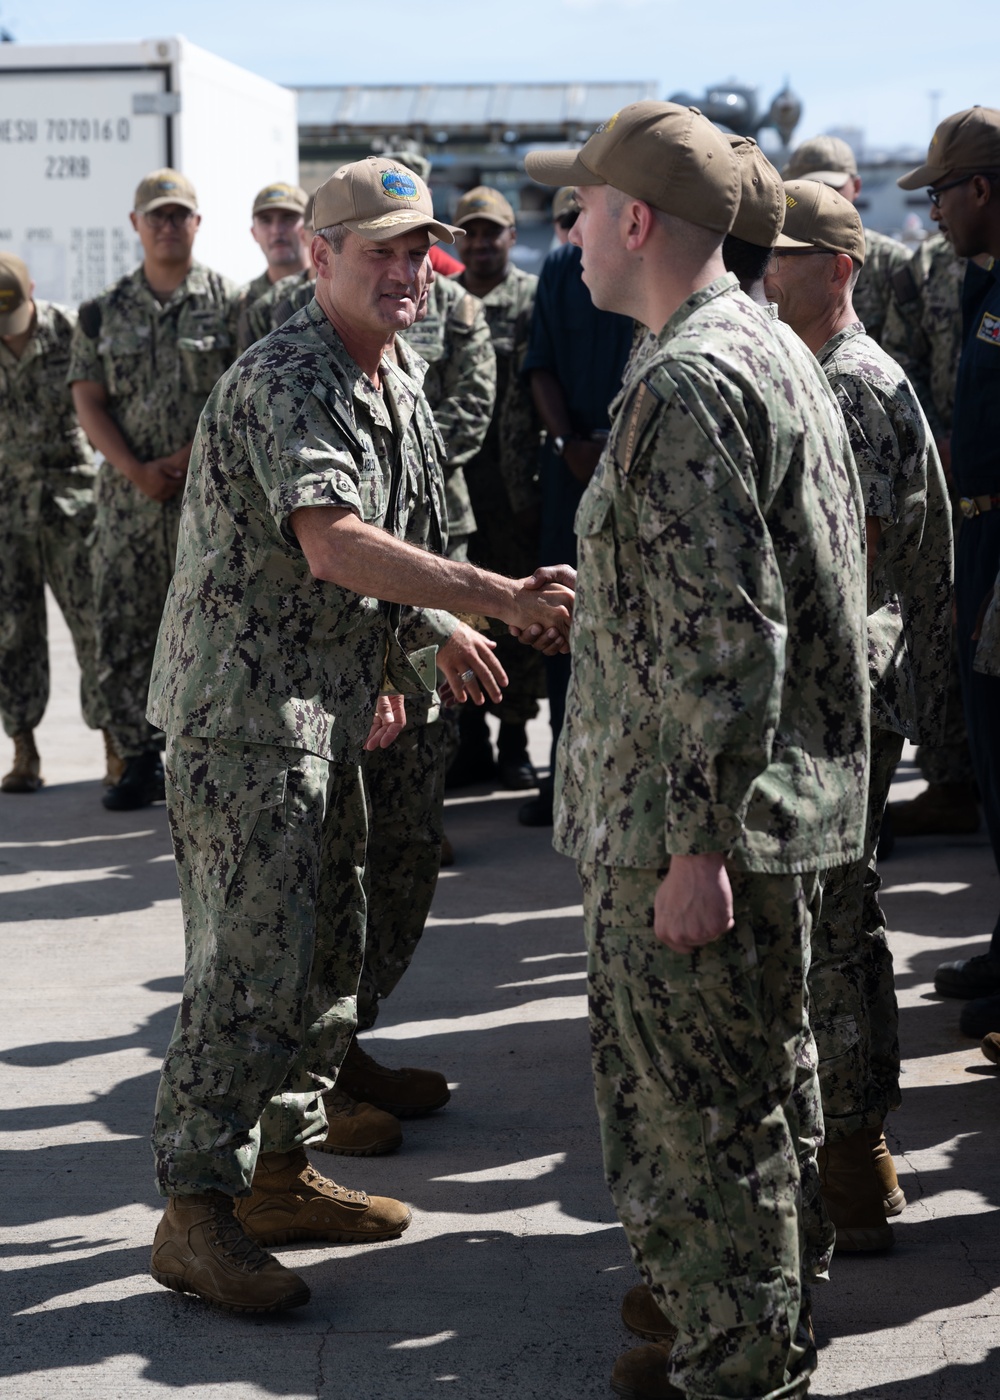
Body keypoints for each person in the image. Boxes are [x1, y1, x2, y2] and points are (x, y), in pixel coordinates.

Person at [144, 156, 573, 1314]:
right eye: (375, 248)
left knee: (324, 955)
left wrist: (420, 632)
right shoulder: (291, 374)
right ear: (317, 256)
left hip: (320, 711)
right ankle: (193, 1208)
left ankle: (278, 1173)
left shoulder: (389, 377)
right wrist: (490, 596)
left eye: (413, 248)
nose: (404, 268)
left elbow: (396, 543)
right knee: (246, 967)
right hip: (246, 717)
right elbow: (334, 542)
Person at [526, 102, 869, 1400]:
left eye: (580, 214)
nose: (568, 239)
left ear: (633, 222)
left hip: (695, 828)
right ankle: (742, 1320)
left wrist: (694, 845)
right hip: (768, 809)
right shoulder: (760, 349)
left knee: (700, 1125)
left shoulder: (685, 381)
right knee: (756, 1097)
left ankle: (739, 1363)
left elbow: (727, 641)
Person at [767, 179, 952, 1251]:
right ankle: (847, 1150)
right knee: (829, 915)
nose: (765, 268)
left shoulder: (854, 382)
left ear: (838, 267)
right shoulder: (813, 371)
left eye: (786, 254)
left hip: (843, 692)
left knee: (836, 919)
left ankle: (852, 1149)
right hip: (824, 687)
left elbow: (864, 555)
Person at [68, 168, 240, 810]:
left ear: (197, 223)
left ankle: (210, 756)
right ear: (135, 225)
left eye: (179, 214)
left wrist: (186, 457)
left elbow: (240, 390)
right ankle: (137, 759)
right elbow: (88, 399)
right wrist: (137, 469)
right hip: (128, 501)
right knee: (126, 627)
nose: (168, 225)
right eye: (156, 215)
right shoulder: (101, 310)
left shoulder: (230, 303)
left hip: (211, 502)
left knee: (215, 627)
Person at [896, 107, 1000, 1037]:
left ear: (982, 188)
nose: (931, 210)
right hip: (983, 542)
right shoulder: (984, 285)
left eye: (940, 192)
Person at [516, 210, 634, 827]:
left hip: (636, 461)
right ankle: (566, 773)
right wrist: (568, 445)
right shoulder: (562, 266)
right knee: (563, 616)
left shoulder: (650, 262)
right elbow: (541, 366)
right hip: (571, 466)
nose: (576, 224)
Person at [0, 254, 110, 793]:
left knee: (93, 627)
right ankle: (23, 748)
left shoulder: (69, 330)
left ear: (33, 293)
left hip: (70, 505)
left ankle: (116, 742)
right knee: (11, 634)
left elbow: (103, 403)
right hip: (4, 513)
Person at [447, 186, 543, 791]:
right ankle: (470, 739)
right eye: (471, 233)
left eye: (493, 232)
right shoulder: (441, 300)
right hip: (459, 485)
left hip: (514, 486)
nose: (481, 243)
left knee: (518, 615)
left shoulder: (532, 301)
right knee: (461, 611)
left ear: (511, 237)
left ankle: (514, 737)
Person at [882, 231, 978, 838]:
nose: (935, 211)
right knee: (941, 620)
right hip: (946, 471)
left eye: (945, 192)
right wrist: (934, 433)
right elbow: (904, 353)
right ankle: (950, 781)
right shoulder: (926, 265)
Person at [783, 134, 909, 345]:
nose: (821, 198)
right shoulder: (774, 255)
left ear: (857, 187)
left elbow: (908, 351)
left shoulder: (891, 260)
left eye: (832, 187)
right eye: (810, 188)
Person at [241, 182, 310, 306]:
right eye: (266, 220)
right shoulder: (242, 303)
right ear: (254, 233)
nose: (277, 230)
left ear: (307, 230)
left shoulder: (328, 293)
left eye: (288, 218)